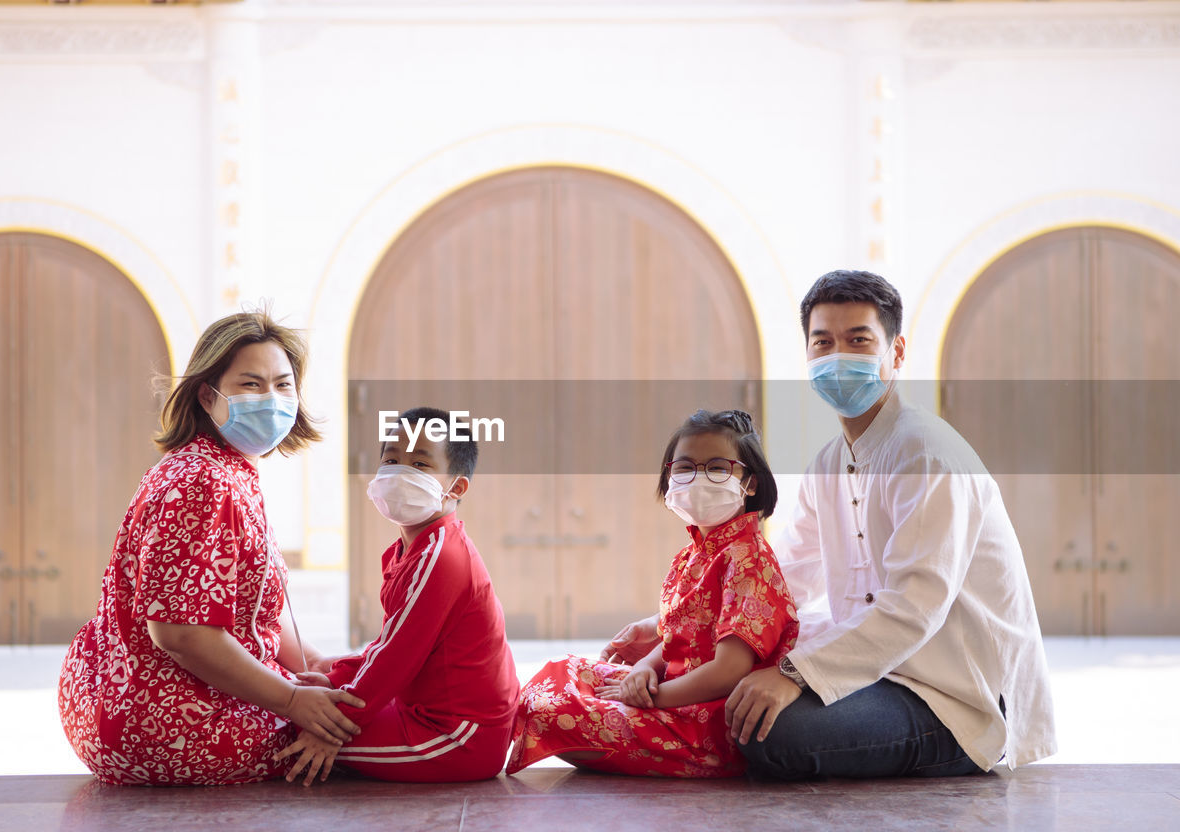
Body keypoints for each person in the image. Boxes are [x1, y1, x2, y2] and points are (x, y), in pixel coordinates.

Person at [604, 271, 1056, 780]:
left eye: (858, 340)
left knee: (768, 729)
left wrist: (794, 676)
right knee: (730, 680)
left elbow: (913, 608)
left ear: (897, 352)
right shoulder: (829, 462)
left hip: (952, 696)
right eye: (824, 342)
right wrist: (670, 626)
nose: (838, 356)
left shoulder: (926, 455)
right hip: (879, 674)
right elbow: (787, 577)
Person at [58, 309, 363, 786]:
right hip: (170, 721)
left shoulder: (221, 468)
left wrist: (311, 666)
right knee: (364, 735)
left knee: (339, 705)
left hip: (129, 706)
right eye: (251, 384)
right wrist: (290, 700)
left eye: (283, 385)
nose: (272, 399)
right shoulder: (204, 481)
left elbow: (249, 607)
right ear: (208, 394)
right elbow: (180, 634)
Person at [507, 410, 798, 778]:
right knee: (557, 673)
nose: (698, 479)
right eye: (684, 468)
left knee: (552, 712)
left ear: (751, 483)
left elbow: (729, 670)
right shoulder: (694, 554)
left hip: (705, 723)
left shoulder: (748, 559)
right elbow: (681, 639)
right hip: (671, 693)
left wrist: (651, 697)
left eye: (718, 468)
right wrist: (644, 671)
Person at [276, 406, 519, 784]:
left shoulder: (441, 557)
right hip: (422, 713)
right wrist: (336, 677)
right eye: (391, 459)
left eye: (420, 465)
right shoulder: (409, 549)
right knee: (307, 699)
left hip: (457, 738)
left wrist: (336, 725)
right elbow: (390, 645)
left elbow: (395, 659)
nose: (399, 472)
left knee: (283, 730)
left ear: (455, 487)